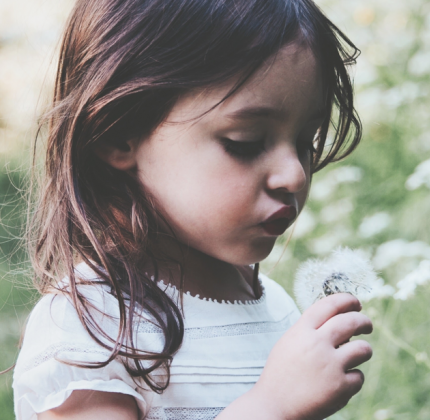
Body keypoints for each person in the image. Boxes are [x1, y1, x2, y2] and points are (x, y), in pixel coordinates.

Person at [12, 0, 373, 419]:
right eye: (246, 141)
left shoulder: (274, 307)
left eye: (305, 141)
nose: (293, 174)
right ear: (118, 133)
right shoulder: (90, 330)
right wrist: (271, 407)